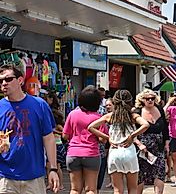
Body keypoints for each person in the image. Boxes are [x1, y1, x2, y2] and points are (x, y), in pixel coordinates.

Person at [0, 64, 59, 193]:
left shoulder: (39, 105)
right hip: (5, 177)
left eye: (8, 79)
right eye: (1, 81)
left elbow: (48, 138)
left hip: (34, 176)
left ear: (20, 80)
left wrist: (53, 169)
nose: (4, 83)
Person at [88, 89, 150, 194]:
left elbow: (91, 127)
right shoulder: (132, 116)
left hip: (114, 152)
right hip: (129, 152)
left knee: (117, 190)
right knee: (133, 189)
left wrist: (108, 138)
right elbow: (146, 124)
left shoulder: (110, 116)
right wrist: (132, 135)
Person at [63, 85, 108, 194]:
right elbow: (103, 139)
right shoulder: (98, 118)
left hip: (73, 153)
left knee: (74, 189)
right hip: (91, 154)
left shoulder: (72, 114)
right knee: (91, 189)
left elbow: (65, 135)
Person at [134, 89, 169, 194]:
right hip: (143, 147)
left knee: (160, 172)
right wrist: (139, 144)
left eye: (152, 98)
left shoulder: (159, 109)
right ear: (142, 100)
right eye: (147, 98)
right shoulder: (137, 111)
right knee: (141, 174)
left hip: (159, 147)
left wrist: (167, 142)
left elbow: (165, 128)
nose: (150, 100)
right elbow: (132, 131)